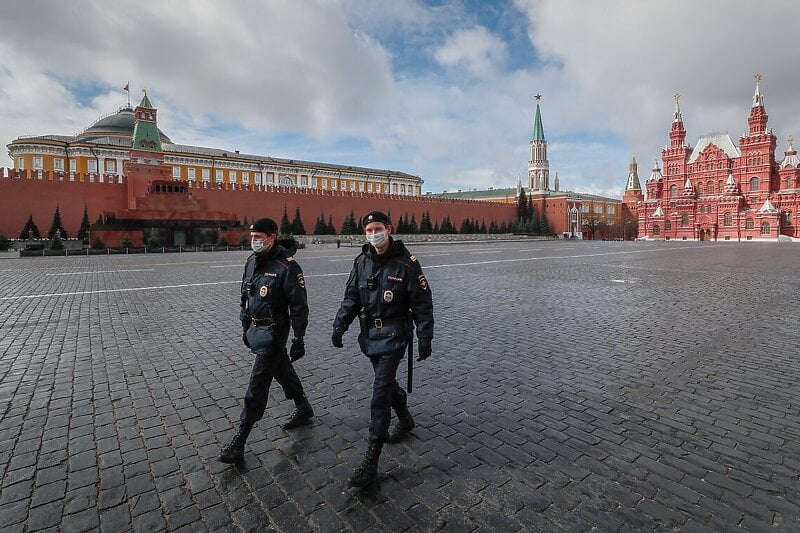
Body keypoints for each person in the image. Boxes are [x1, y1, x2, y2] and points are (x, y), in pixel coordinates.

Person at [332, 211, 434, 487]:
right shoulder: (362, 261)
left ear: (389, 229)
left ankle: (371, 459)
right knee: (386, 385)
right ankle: (405, 418)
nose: (373, 234)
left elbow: (422, 303)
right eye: (368, 230)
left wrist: (425, 337)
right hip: (370, 336)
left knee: (379, 393)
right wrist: (339, 325)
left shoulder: (407, 263)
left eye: (377, 228)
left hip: (395, 335)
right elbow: (352, 297)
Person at [219, 217, 314, 463]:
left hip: (275, 331)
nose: (254, 241)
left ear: (271, 237)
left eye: (258, 238)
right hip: (256, 329)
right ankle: (303, 407)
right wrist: (244, 324)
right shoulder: (251, 262)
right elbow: (245, 294)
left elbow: (299, 306)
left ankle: (240, 439)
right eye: (252, 237)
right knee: (281, 369)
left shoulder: (287, 267)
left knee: (258, 382)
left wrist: (299, 338)